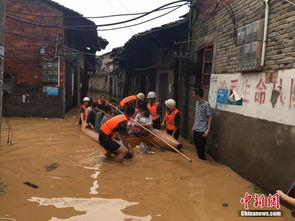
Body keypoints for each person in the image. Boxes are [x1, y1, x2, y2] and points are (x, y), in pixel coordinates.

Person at [192, 88, 212, 160]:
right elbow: (196, 115)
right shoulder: (197, 103)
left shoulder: (207, 105)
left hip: (203, 129)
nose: (193, 95)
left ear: (198, 95)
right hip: (196, 127)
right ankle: (200, 156)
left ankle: (203, 159)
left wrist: (207, 130)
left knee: (201, 146)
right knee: (196, 145)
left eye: (194, 94)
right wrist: (194, 125)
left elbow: (209, 116)